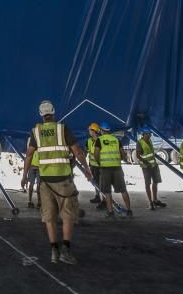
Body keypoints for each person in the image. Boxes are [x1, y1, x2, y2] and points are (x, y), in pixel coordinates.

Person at [22, 100, 93, 265]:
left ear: (41, 115)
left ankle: (54, 252)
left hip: (45, 182)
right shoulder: (62, 129)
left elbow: (29, 155)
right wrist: (87, 169)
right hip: (64, 181)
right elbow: (77, 151)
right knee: (68, 215)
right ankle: (66, 252)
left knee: (49, 217)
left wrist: (25, 175)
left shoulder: (36, 132)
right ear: (53, 112)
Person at [93, 122, 132, 217]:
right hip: (117, 167)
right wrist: (123, 159)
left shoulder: (99, 140)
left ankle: (110, 212)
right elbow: (122, 153)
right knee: (123, 190)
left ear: (101, 130)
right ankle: (129, 210)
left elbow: (96, 153)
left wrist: (99, 163)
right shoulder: (116, 140)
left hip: (105, 168)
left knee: (107, 191)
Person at [135, 128, 165, 209]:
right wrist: (146, 163)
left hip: (154, 165)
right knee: (148, 184)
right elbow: (138, 156)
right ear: (143, 134)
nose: (150, 135)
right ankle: (150, 202)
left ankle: (155, 200)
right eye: (148, 134)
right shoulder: (140, 143)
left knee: (156, 182)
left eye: (150, 134)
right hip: (146, 167)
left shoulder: (150, 141)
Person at [86, 123, 103, 208]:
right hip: (93, 165)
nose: (89, 131)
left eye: (90, 130)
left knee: (101, 183)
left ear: (94, 131)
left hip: (100, 165)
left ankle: (104, 201)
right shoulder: (89, 141)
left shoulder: (100, 140)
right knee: (95, 183)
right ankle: (97, 197)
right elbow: (88, 152)